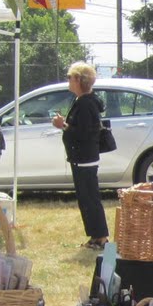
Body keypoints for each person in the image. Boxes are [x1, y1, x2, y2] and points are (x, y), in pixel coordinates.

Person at [52, 62, 111, 249]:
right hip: (82, 157)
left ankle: (101, 237)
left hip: (85, 157)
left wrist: (62, 125)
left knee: (90, 198)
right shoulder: (84, 101)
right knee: (85, 199)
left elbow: (84, 133)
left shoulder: (86, 103)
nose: (68, 80)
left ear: (78, 79)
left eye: (70, 77)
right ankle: (95, 236)